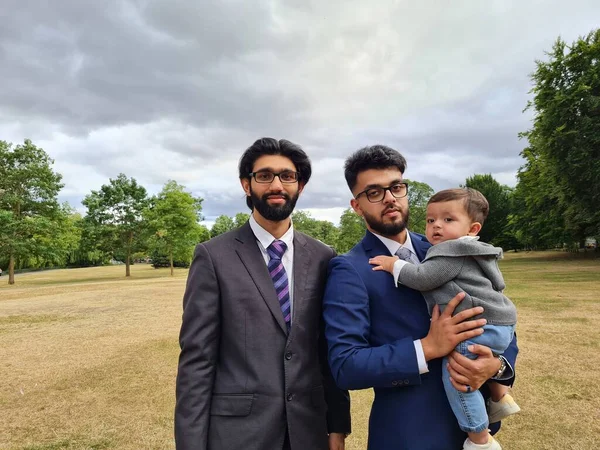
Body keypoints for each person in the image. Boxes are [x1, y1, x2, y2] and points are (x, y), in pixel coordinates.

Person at [323, 145, 518, 450]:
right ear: (357, 206)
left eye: (396, 187)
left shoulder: (450, 246)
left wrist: (496, 367)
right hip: (410, 434)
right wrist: (426, 348)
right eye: (374, 192)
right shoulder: (350, 269)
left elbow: (495, 313)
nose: (389, 198)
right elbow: (346, 365)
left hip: (478, 432)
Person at [175, 137, 351, 450]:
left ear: (301, 186)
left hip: (308, 431)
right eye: (264, 175)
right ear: (246, 185)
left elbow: (328, 350)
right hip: (239, 435)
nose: (276, 184)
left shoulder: (325, 256)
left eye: (287, 176)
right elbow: (197, 362)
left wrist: (337, 425)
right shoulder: (213, 257)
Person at [369, 187, 520, 450]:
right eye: (430, 220)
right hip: (500, 321)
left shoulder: (448, 250)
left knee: (457, 378)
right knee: (472, 367)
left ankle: (480, 440)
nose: (436, 226)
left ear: (472, 229)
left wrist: (395, 265)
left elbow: (422, 277)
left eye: (448, 220)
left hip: (477, 328)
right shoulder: (476, 251)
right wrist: (498, 368)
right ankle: (499, 396)